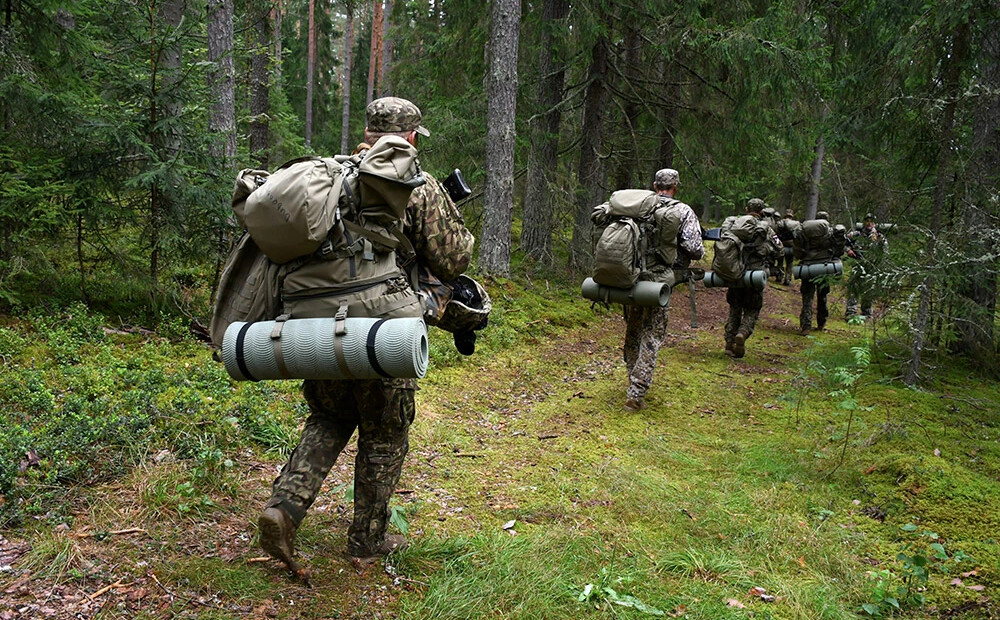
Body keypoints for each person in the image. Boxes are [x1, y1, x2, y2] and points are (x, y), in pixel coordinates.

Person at [257, 97, 475, 570]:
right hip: (383, 328)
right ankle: (367, 540)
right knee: (385, 432)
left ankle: (284, 509)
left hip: (317, 328)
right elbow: (453, 261)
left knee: (328, 419)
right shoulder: (415, 184)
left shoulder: (330, 178)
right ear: (411, 136)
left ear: (370, 132)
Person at [622, 168, 704, 411]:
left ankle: (631, 378)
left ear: (654, 184)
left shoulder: (638, 205)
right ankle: (636, 391)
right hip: (659, 281)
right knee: (653, 334)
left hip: (631, 277)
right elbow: (695, 249)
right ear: (675, 187)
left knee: (634, 328)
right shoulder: (683, 210)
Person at [724, 198, 782, 358]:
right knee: (752, 309)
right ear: (762, 212)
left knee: (734, 308)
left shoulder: (735, 225)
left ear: (746, 208)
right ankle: (742, 333)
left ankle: (729, 343)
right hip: (755, 276)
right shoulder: (766, 229)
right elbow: (780, 250)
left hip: (735, 273)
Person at [795, 211, 845, 335]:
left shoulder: (805, 231)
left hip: (807, 267)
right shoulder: (830, 232)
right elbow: (838, 250)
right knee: (822, 297)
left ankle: (806, 326)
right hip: (824, 267)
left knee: (807, 297)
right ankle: (821, 323)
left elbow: (798, 251)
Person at [845, 212, 885, 320]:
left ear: (875, 223)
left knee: (869, 288)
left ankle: (867, 313)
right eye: (867, 221)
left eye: (871, 221)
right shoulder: (856, 234)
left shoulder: (879, 237)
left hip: (872, 267)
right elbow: (845, 243)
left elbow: (885, 251)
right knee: (854, 288)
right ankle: (851, 312)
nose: (869, 223)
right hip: (857, 264)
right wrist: (848, 250)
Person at [775, 209, 800, 285]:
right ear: (792, 216)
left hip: (782, 246)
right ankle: (787, 279)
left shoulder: (780, 223)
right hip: (792, 246)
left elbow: (775, 235)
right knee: (789, 263)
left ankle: (779, 276)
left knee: (780, 262)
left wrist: (777, 244)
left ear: (785, 215)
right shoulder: (796, 224)